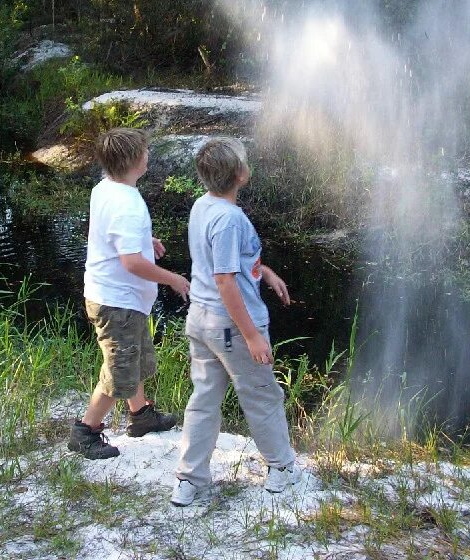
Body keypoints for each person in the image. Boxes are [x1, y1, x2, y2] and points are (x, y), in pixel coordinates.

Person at [171, 137, 301, 506]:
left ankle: (190, 480)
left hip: (201, 319)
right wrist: (253, 337)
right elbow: (225, 279)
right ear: (241, 175)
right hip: (231, 326)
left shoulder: (203, 205)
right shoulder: (230, 219)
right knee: (262, 394)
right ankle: (282, 469)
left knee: (204, 399)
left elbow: (228, 263)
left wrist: (266, 273)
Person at [68, 127, 192, 459]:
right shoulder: (126, 205)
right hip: (116, 301)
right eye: (145, 151)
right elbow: (133, 264)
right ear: (135, 160)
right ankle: (86, 431)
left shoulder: (105, 188)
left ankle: (141, 416)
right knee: (119, 370)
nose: (148, 155)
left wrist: (144, 242)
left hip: (118, 298)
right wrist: (172, 279)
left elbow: (111, 235)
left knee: (133, 356)